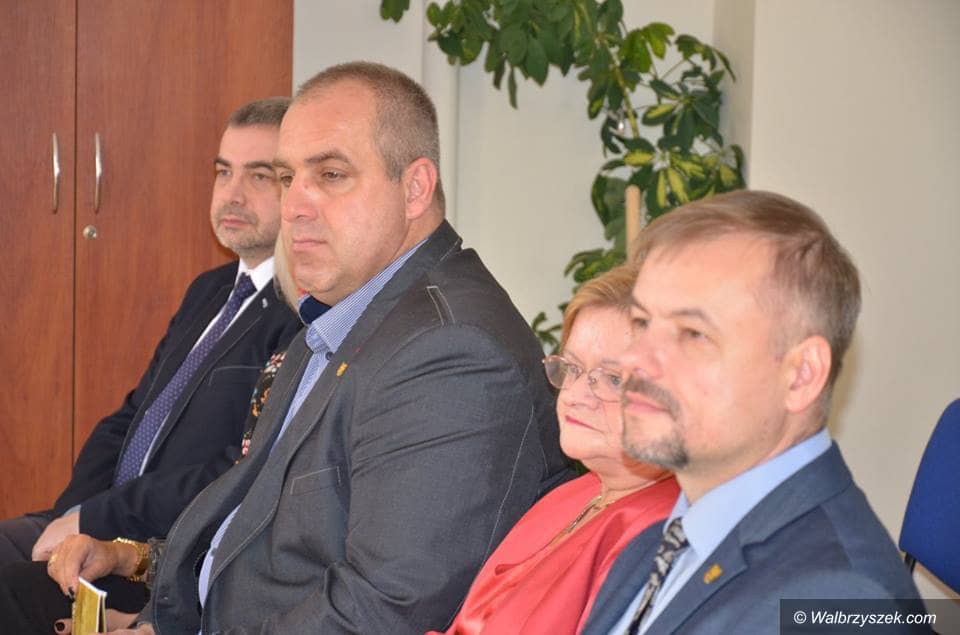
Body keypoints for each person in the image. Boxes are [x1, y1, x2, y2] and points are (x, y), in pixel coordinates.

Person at [69, 61, 571, 635]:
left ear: (415, 188)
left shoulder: (451, 352)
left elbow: (385, 609)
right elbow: (258, 519)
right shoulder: (345, 312)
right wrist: (139, 569)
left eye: (331, 175)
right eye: (287, 178)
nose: (294, 207)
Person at [579, 191, 921, 635]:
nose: (635, 360)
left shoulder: (837, 602)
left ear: (801, 375)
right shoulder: (661, 540)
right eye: (642, 323)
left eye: (693, 334)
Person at [0, 97, 300, 567]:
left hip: (164, 556)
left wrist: (99, 521)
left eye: (258, 177)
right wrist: (71, 516)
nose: (233, 194)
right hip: (100, 528)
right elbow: (132, 416)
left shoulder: (302, 313)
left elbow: (238, 471)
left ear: (296, 189)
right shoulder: (210, 289)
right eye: (223, 172)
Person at [433, 265, 679, 635]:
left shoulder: (663, 531)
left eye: (613, 379)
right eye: (573, 368)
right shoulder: (573, 493)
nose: (576, 395)